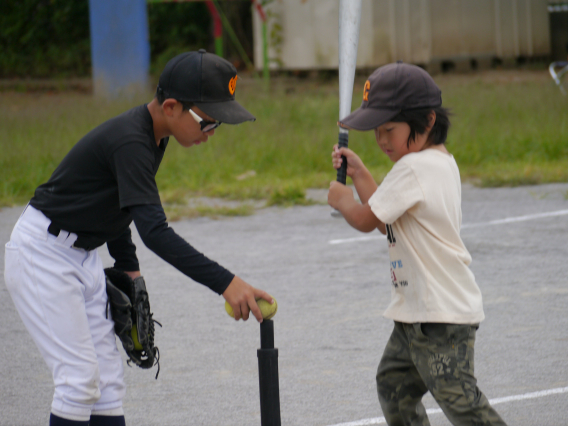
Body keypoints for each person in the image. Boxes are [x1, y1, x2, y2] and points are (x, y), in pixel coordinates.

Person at [4, 50, 273, 426]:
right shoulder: (132, 141)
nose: (210, 135)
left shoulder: (153, 136)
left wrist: (129, 270)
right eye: (208, 123)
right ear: (171, 106)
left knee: (108, 382)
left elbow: (119, 206)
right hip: (42, 256)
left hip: (80, 256)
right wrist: (226, 283)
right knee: (78, 381)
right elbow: (156, 233)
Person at [327, 62, 507, 426]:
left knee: (461, 403)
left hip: (438, 317)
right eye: (377, 131)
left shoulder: (413, 169)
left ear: (426, 121)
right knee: (394, 385)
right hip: (417, 315)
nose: (381, 140)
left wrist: (343, 199)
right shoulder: (438, 163)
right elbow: (386, 217)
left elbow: (367, 219)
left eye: (390, 129)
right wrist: (360, 173)